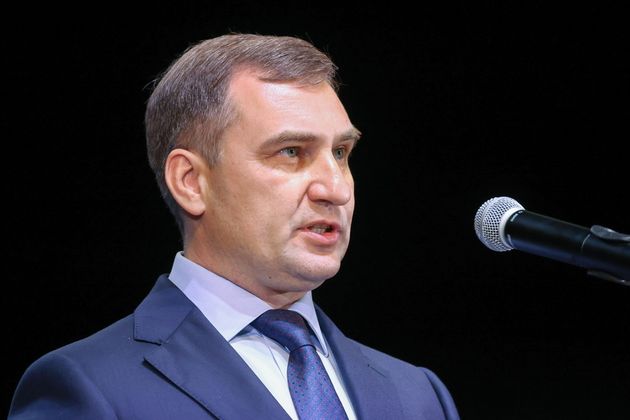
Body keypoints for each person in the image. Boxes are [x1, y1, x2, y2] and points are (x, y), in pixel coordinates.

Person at [8, 33, 460, 419]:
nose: (336, 189)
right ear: (191, 182)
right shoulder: (90, 388)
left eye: (341, 153)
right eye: (291, 152)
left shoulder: (419, 395)